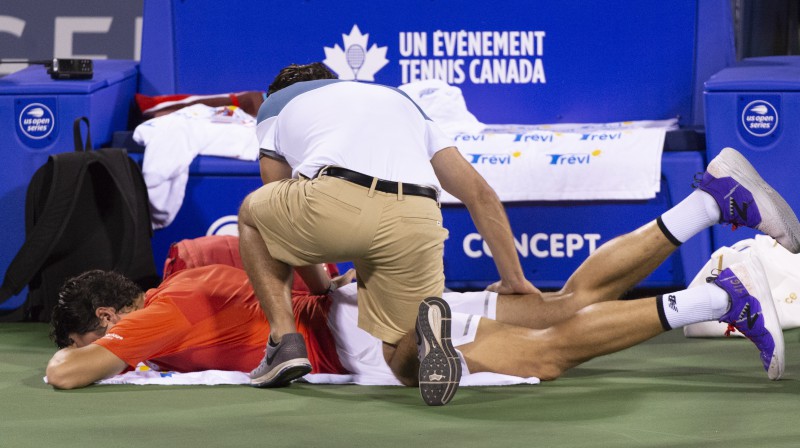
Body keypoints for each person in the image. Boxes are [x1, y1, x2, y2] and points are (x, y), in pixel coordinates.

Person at [46, 147, 800, 396]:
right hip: (372, 287)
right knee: (562, 307)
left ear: (108, 320)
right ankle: (706, 205)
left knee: (545, 351)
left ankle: (717, 295)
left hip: (366, 340)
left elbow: (66, 375)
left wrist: (83, 355)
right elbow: (302, 259)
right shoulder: (197, 259)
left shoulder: (156, 316)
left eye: (97, 336)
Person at [237, 61, 535, 404]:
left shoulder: (276, 103)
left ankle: (283, 342)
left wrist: (322, 287)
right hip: (419, 213)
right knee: (400, 360)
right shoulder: (401, 100)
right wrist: (514, 280)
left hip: (338, 199)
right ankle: (425, 334)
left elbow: (281, 221)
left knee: (253, 214)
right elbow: (479, 195)